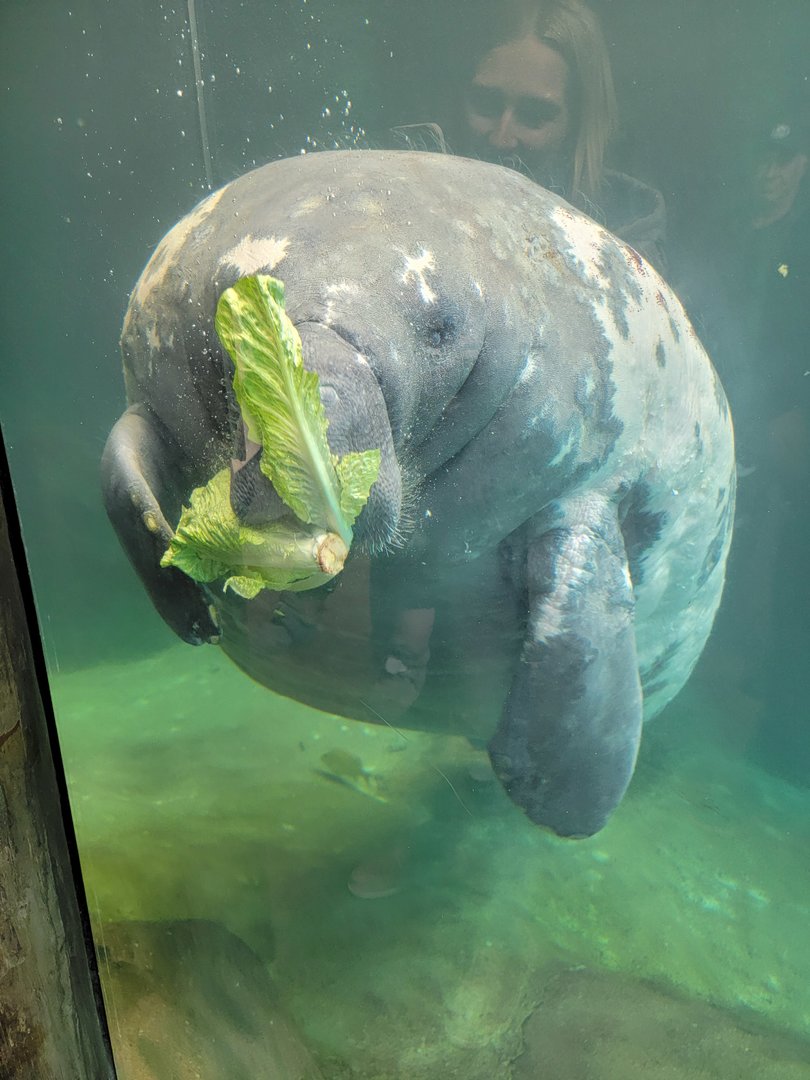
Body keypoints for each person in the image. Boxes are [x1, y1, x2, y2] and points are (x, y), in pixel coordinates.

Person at [435, 0, 668, 271]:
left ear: (577, 126)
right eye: (485, 105)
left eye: (533, 115)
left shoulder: (627, 261)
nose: (501, 137)